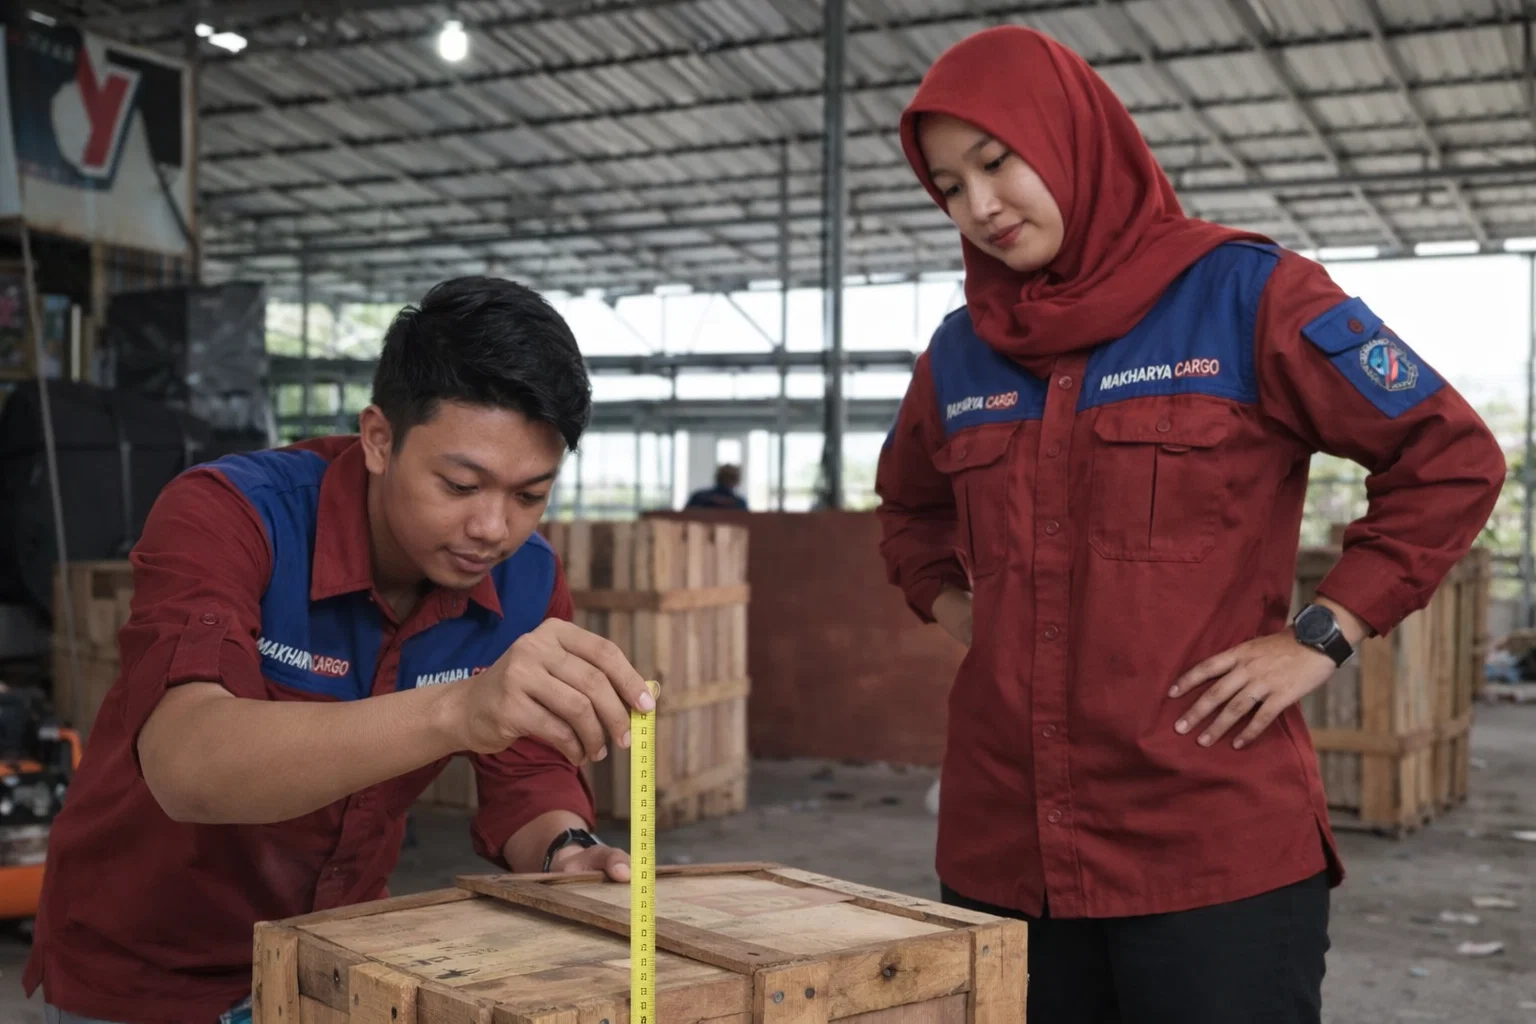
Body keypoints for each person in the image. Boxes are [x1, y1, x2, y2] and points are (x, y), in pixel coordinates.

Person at [875, 26, 1506, 1024]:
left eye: (997, 161)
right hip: (1007, 852)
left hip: (1211, 853)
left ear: (1074, 136)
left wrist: (1325, 631)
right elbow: (908, 506)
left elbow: (1451, 457)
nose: (981, 206)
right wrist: (956, 605)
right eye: (949, 186)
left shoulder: (1249, 296)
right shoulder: (960, 355)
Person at [26, 277, 654, 1024]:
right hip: (145, 975)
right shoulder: (232, 517)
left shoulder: (529, 579)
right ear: (379, 438)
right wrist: (458, 709)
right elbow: (187, 765)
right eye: (461, 484)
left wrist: (564, 852)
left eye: (530, 495)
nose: (494, 527)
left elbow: (529, 774)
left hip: (341, 963)